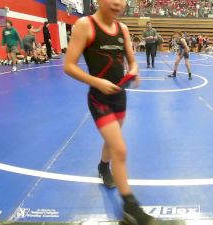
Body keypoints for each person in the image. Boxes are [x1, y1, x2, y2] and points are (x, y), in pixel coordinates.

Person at [63, 0, 155, 224]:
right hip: (99, 98)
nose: (117, 3)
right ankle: (131, 209)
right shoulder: (85, 25)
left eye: (122, 0)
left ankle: (103, 166)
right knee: (120, 149)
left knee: (111, 143)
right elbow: (69, 65)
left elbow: (132, 62)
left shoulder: (122, 29)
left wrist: (133, 71)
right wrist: (97, 82)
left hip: (119, 96)